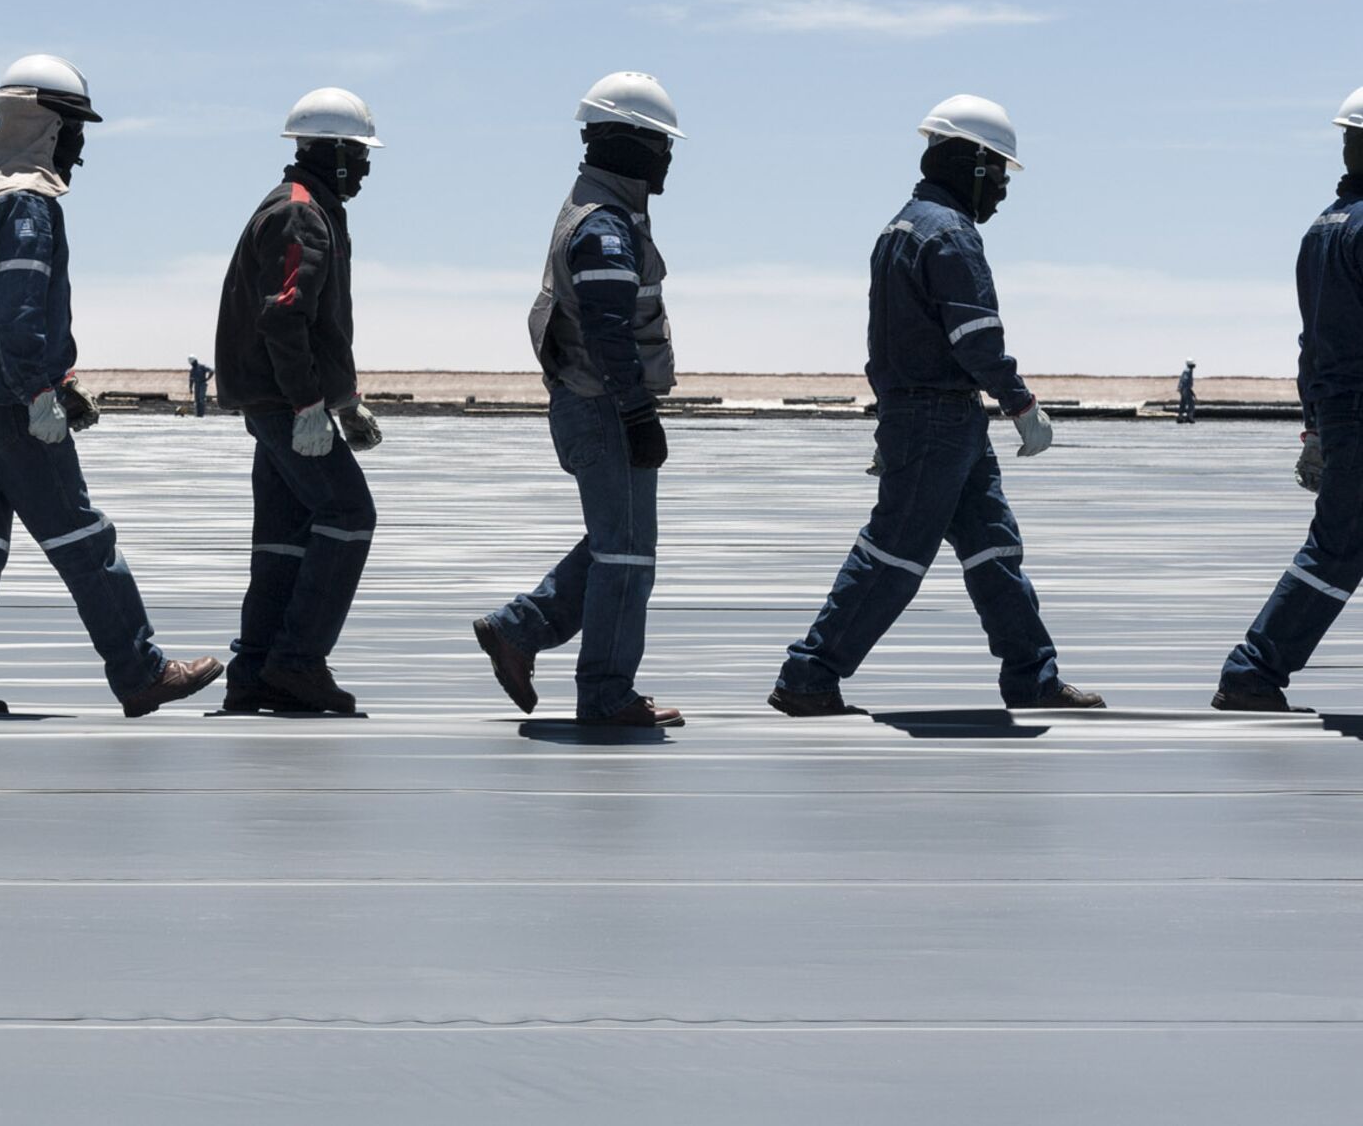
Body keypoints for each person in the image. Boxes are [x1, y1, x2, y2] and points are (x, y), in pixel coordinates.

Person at [0, 55, 224, 717]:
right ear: (46, 126)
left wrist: (59, 378)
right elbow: (19, 312)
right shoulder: (28, 202)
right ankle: (141, 671)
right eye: (75, 128)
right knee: (81, 535)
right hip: (11, 401)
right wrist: (39, 393)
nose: (81, 145)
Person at [770, 96, 1106, 716]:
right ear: (973, 163)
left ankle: (1032, 676)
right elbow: (975, 337)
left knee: (993, 547)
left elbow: (885, 339)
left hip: (935, 418)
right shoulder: (950, 234)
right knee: (895, 551)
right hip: (938, 420)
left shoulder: (900, 227)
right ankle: (809, 672)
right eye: (1000, 173)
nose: (1003, 190)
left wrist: (891, 412)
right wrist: (1021, 403)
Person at [472, 72, 687, 727]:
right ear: (628, 143)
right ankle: (605, 692)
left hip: (592, 403)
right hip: (604, 407)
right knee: (626, 554)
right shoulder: (605, 229)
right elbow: (609, 333)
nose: (667, 158)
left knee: (614, 543)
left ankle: (519, 629)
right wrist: (637, 412)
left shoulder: (598, 212)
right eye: (659, 143)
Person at [213, 88, 383, 714]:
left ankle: (254, 669)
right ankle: (297, 660)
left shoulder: (309, 207)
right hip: (285, 405)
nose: (365, 167)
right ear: (334, 153)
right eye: (359, 154)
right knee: (348, 515)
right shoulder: (301, 214)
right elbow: (285, 319)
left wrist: (343, 402)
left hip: (281, 403)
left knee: (283, 538)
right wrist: (311, 407)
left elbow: (314, 327)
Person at [1212, 88, 1363, 713]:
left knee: (1338, 547)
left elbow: (1312, 342)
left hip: (1340, 409)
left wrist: (1315, 428)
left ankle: (1255, 668)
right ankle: (1254, 668)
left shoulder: (1319, 230)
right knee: (1336, 547)